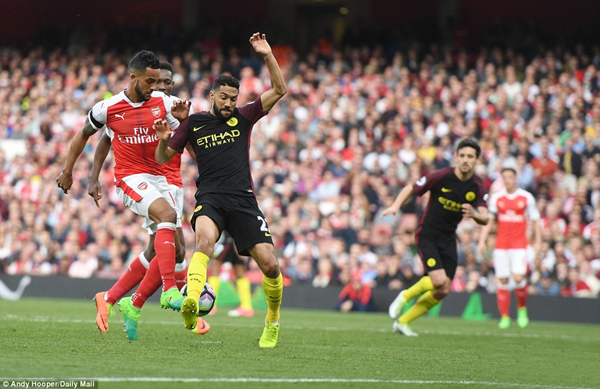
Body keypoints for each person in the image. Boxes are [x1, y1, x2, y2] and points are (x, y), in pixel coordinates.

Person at [154, 32, 287, 347]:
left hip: (243, 201)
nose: (230, 103)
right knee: (203, 242)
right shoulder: (194, 123)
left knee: (269, 263)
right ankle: (192, 306)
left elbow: (280, 89)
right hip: (210, 199)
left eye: (234, 98)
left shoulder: (244, 117)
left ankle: (272, 320)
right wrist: (162, 137)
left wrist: (267, 55)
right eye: (224, 97)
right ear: (213, 95)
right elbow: (164, 157)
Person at [56, 51, 190, 340]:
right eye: (150, 81)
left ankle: (125, 300)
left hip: (161, 179)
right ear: (134, 78)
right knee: (166, 218)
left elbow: (184, 138)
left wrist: (184, 121)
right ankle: (170, 291)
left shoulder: (164, 103)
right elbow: (86, 135)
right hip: (130, 178)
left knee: (173, 249)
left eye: (159, 81)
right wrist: (70, 171)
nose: (155, 87)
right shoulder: (109, 108)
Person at [88, 61, 209, 335]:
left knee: (162, 250)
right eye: (157, 83)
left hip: (171, 183)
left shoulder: (169, 106)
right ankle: (176, 304)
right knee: (173, 248)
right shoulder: (129, 108)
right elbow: (105, 139)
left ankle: (116, 300)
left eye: (166, 83)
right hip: (148, 183)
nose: (161, 88)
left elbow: (190, 142)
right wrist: (93, 176)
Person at [384, 138, 489, 336]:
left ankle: (403, 322)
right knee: (438, 280)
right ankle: (405, 296)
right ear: (456, 157)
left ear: (476, 160)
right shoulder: (441, 176)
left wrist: (475, 215)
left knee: (443, 290)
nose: (466, 160)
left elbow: (486, 218)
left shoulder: (477, 186)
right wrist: (396, 205)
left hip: (449, 238)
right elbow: (411, 188)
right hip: (428, 234)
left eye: (470, 157)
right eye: (463, 155)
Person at [478, 165, 541, 329]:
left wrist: (538, 241)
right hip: (501, 245)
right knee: (503, 280)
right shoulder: (496, 198)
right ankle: (505, 316)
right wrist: (482, 240)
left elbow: (535, 220)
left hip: (519, 245)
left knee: (519, 278)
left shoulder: (526, 197)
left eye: (510, 177)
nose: (507, 180)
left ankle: (521, 309)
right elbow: (490, 221)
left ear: (515, 178)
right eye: (504, 177)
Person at [209, 231, 255, 317]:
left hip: (229, 242)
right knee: (240, 274)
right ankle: (247, 307)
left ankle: (211, 306)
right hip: (238, 243)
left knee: (214, 268)